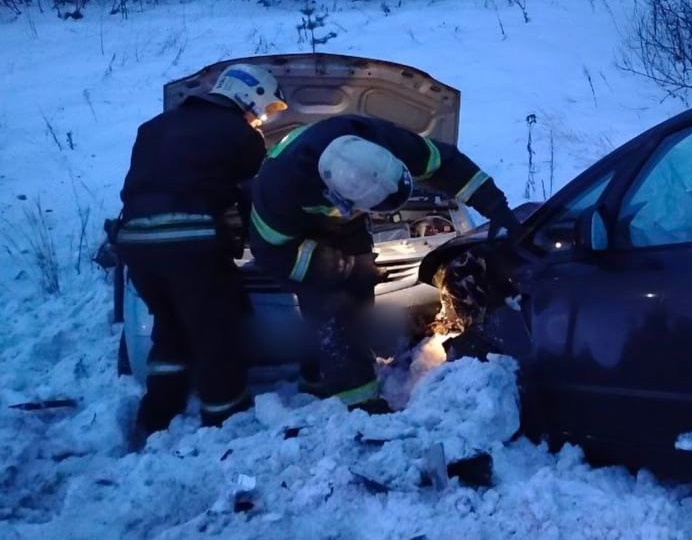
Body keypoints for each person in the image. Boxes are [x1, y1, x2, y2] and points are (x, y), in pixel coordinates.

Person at [247, 115, 519, 413]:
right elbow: (275, 253)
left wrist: (495, 205)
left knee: (361, 299)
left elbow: (446, 164)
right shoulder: (279, 191)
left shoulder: (382, 139)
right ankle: (359, 405)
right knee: (333, 312)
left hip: (345, 225)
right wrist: (345, 268)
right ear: (338, 198)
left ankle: (317, 376)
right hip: (298, 240)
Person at [115, 63, 286, 435]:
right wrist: (266, 243)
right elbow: (253, 199)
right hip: (188, 240)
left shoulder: (154, 127)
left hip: (136, 243)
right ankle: (224, 416)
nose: (262, 118)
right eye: (266, 108)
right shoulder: (241, 136)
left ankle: (157, 412)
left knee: (171, 325)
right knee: (216, 328)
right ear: (251, 95)